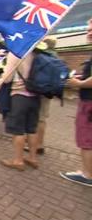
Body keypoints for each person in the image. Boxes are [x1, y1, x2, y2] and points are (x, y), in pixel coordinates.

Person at [0, 43, 48, 171]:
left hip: (19, 95)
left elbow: (7, 78)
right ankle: (32, 158)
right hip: (36, 96)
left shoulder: (16, 51)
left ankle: (18, 160)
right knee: (32, 129)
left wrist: (0, 78)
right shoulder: (38, 51)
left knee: (18, 130)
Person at [60, 18, 92, 187]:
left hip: (89, 103)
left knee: (86, 139)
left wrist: (78, 83)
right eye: (88, 29)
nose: (89, 32)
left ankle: (87, 175)